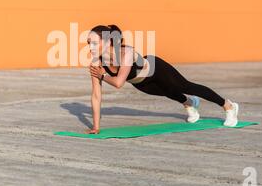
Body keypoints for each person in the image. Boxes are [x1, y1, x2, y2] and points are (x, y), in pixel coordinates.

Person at [86, 24, 239, 134]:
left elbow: (118, 83)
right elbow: (96, 96)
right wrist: (96, 127)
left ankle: (228, 106)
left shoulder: (126, 53)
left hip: (156, 69)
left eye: (94, 43)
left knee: (185, 86)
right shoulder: (96, 62)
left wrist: (103, 76)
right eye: (88, 43)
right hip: (140, 83)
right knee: (168, 92)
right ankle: (189, 103)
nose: (90, 47)